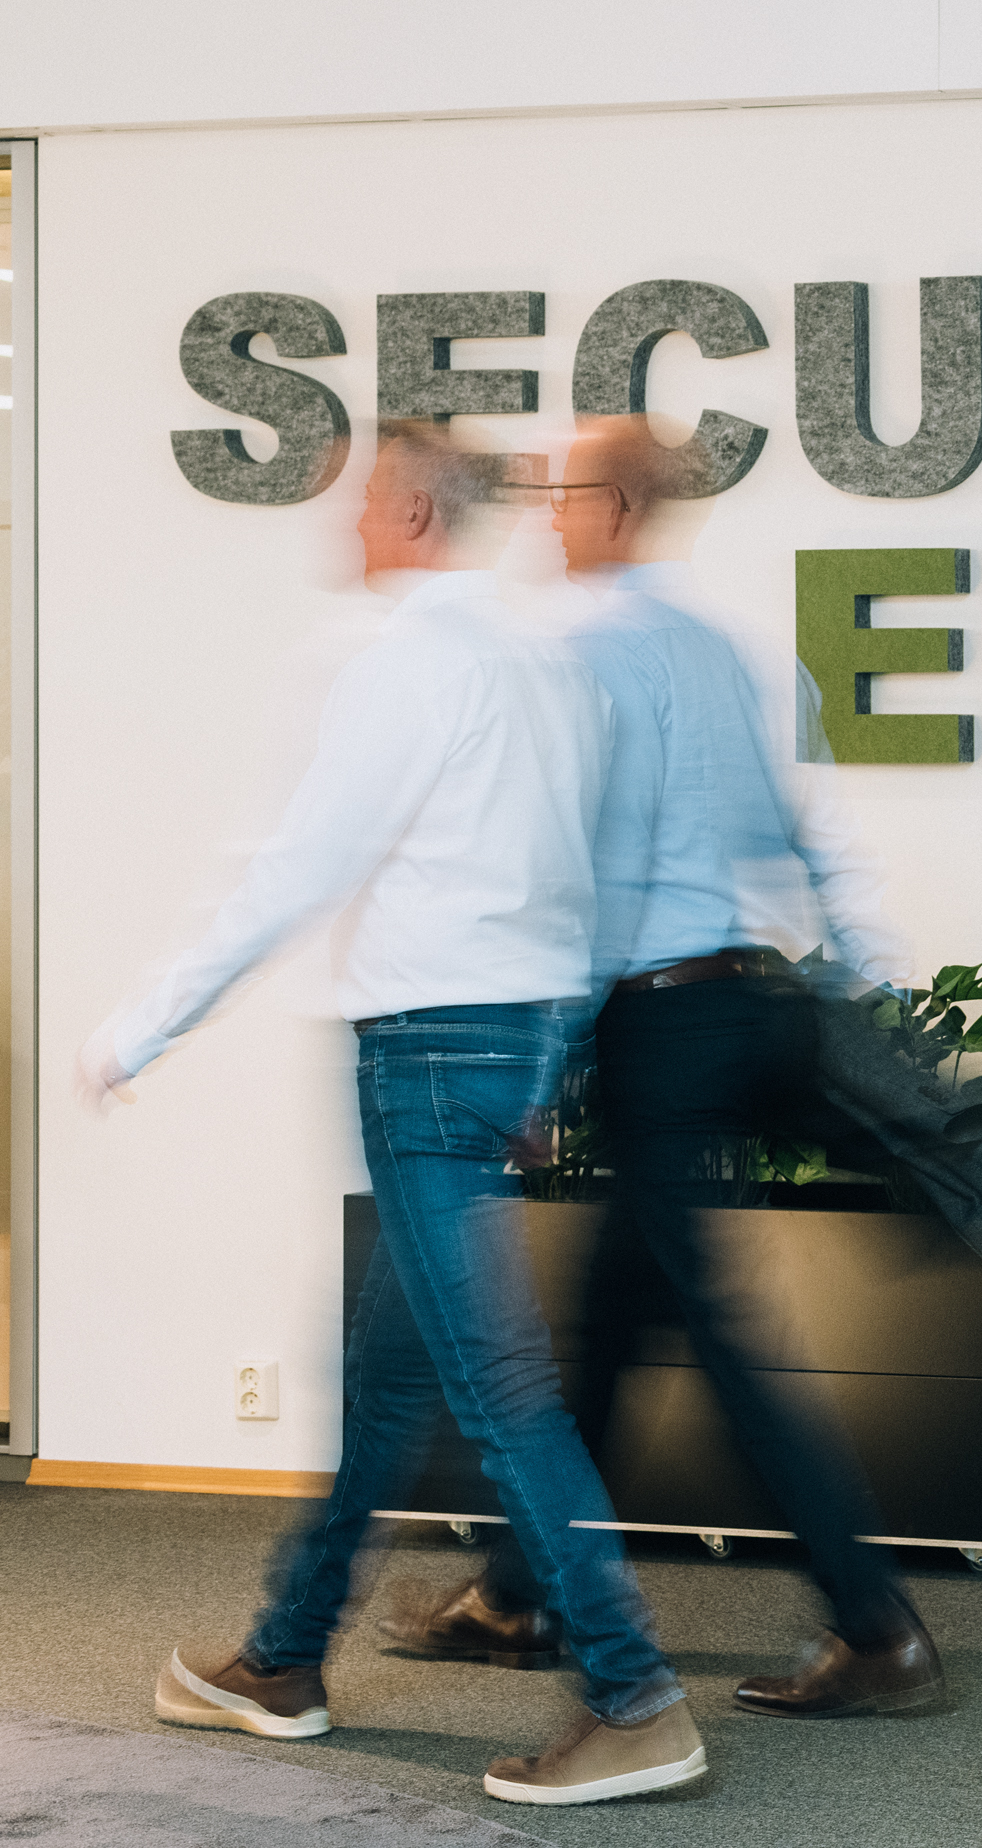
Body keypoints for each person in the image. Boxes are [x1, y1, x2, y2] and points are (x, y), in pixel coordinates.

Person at [79, 421, 707, 1808]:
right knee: (393, 1378)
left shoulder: (405, 662)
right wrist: (550, 1064)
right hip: (506, 1042)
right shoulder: (544, 661)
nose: (345, 523)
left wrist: (145, 1023)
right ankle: (284, 1656)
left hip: (425, 1053)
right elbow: (585, 875)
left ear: (418, 515)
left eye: (365, 499)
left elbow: (301, 863)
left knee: (498, 1392)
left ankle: (634, 1694)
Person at [385, 415, 945, 1718]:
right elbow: (812, 832)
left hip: (660, 1026)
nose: (544, 513)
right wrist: (880, 990)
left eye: (564, 491)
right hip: (752, 1000)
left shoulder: (579, 656)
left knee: (715, 1334)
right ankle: (517, 1594)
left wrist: (531, 1067)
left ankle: (877, 1625)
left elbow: (585, 873)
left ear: (619, 506)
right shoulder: (734, 651)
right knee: (612, 1317)